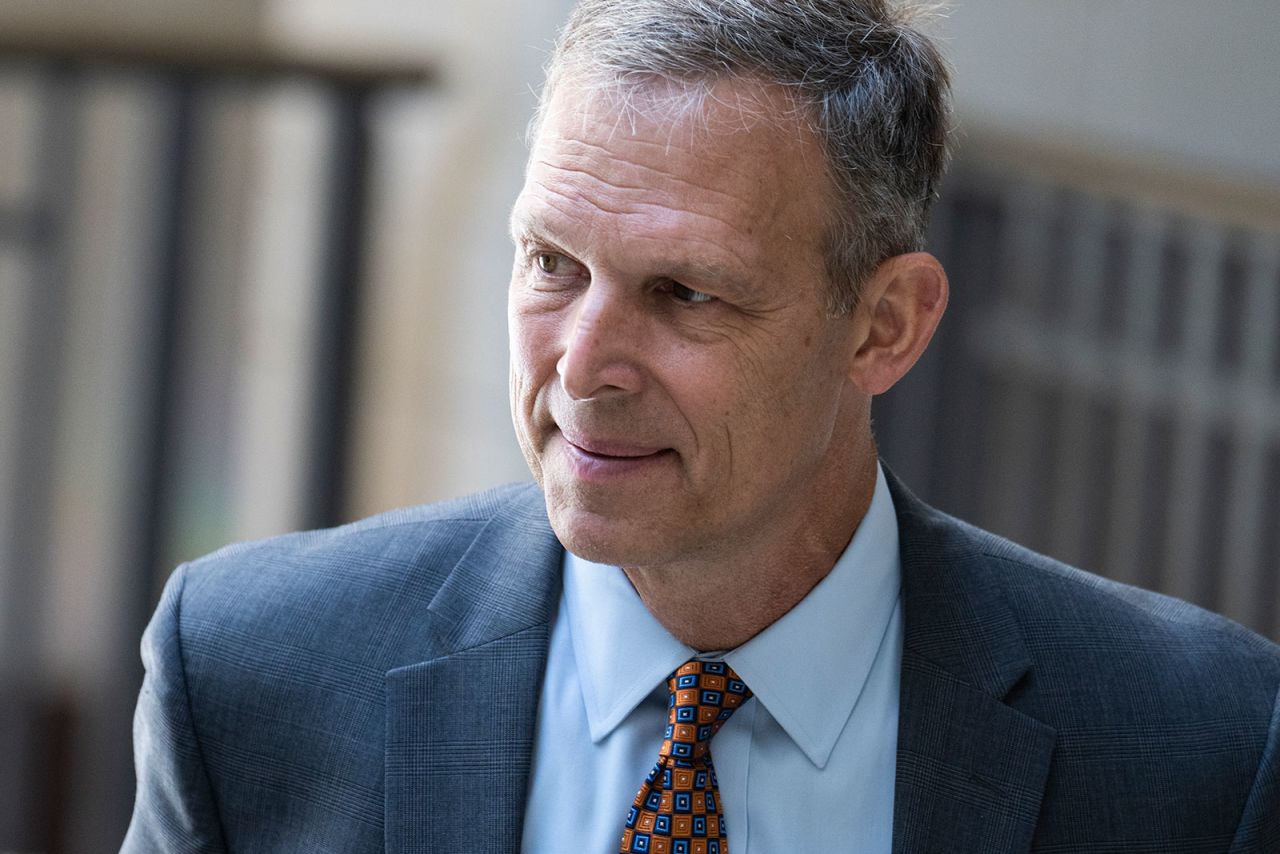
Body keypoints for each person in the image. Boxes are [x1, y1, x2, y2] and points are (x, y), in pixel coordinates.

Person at [124, 1, 1280, 851]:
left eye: (685, 293)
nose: (581, 362)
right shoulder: (245, 675)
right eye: (550, 263)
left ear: (884, 325)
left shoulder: (1198, 750)